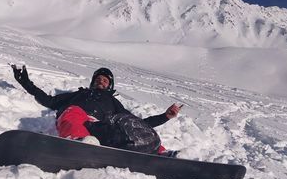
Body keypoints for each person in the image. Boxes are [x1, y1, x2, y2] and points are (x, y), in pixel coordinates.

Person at [11, 65, 182, 156]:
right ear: (93, 81)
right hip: (79, 124)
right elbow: (48, 100)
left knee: (129, 123)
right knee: (72, 111)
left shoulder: (113, 101)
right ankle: (77, 141)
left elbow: (139, 124)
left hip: (101, 128)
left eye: (105, 80)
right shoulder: (78, 95)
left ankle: (160, 153)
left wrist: (165, 116)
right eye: (98, 79)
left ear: (110, 85)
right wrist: (26, 83)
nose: (101, 81)